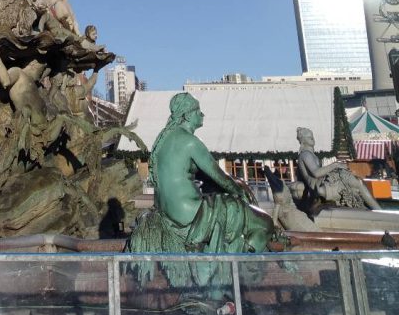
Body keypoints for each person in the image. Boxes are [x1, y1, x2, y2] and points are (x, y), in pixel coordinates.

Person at [128, 93, 273, 255]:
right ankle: (246, 263)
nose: (202, 114)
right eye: (198, 111)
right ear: (188, 115)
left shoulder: (163, 140)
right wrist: (242, 193)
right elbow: (221, 178)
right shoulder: (191, 142)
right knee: (265, 222)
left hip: (167, 211)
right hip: (189, 212)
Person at [296, 126, 380, 210]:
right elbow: (316, 173)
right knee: (358, 184)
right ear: (302, 141)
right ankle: (379, 211)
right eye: (308, 137)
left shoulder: (310, 155)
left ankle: (375, 210)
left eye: (312, 136)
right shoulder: (306, 154)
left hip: (325, 181)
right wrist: (335, 165)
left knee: (358, 185)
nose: (312, 138)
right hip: (322, 184)